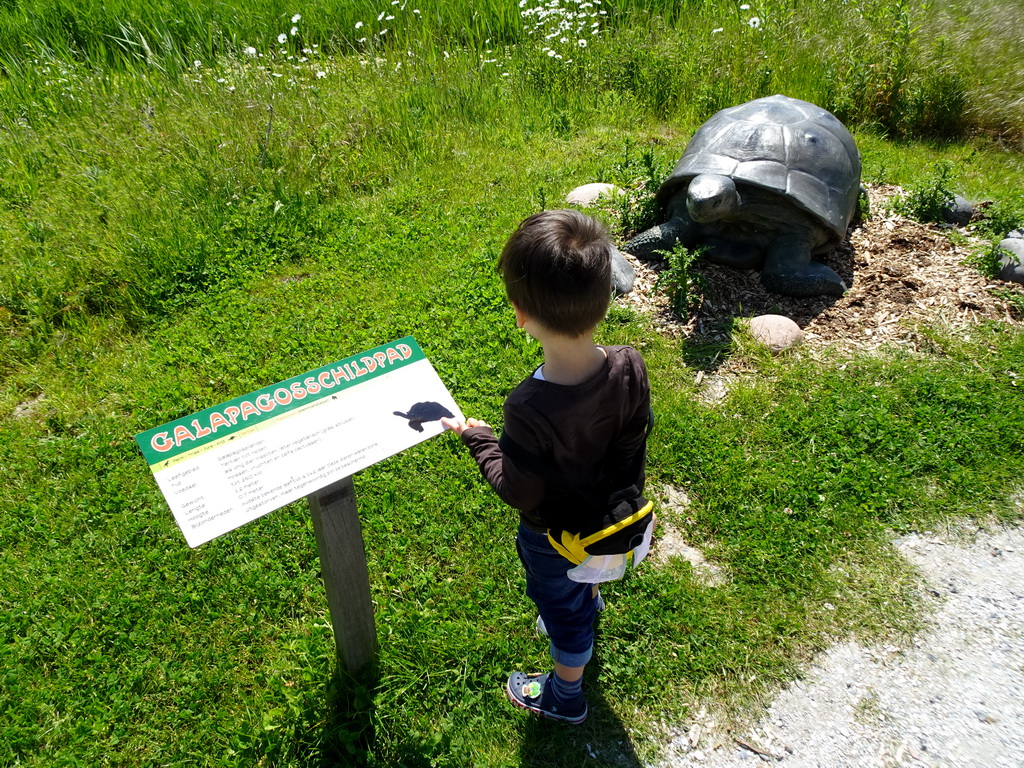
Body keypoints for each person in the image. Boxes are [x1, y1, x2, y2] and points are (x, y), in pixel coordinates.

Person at [441, 209, 653, 725]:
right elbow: (631, 442)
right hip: (610, 516)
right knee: (579, 588)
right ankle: (590, 598)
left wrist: (480, 440)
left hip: (555, 535)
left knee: (562, 615)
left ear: (520, 313)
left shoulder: (529, 407)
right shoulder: (629, 363)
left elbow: (520, 491)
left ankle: (565, 695)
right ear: (605, 299)